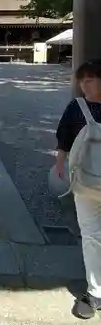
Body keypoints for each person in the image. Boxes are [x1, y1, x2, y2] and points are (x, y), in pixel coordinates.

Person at [55, 59, 101, 319]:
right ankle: (95, 291)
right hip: (85, 182)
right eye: (82, 80)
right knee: (92, 236)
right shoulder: (77, 107)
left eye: (90, 79)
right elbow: (64, 137)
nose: (84, 85)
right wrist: (60, 163)